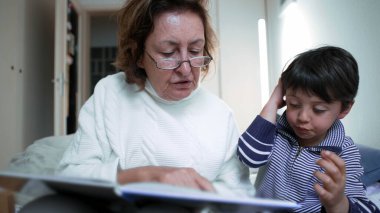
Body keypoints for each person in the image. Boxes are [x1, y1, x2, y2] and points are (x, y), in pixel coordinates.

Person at [56, 0, 249, 202]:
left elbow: (240, 193)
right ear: (138, 55)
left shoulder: (220, 115)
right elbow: (70, 174)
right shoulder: (110, 94)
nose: (185, 69)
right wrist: (144, 176)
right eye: (168, 53)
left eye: (195, 51)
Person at [237, 46, 380, 212]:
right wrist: (273, 102)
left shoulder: (344, 153)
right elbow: (248, 158)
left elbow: (366, 208)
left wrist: (339, 203)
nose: (303, 117)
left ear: (344, 108)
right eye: (294, 104)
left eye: (318, 109)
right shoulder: (274, 129)